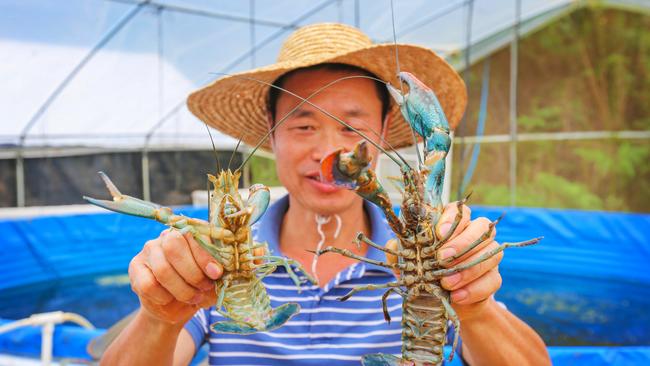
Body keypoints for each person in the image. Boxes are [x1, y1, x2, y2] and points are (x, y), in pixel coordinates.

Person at [101, 23, 550, 366]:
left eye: (352, 128)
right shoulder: (212, 259)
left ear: (382, 138)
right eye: (303, 126)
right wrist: (160, 316)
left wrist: (475, 305)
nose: (327, 152)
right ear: (272, 138)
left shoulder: (437, 245)